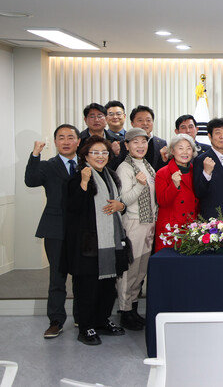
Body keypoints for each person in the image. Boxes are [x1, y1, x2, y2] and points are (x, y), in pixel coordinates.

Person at [64, 135, 129, 346]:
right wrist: (84, 182)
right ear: (85, 156)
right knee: (87, 287)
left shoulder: (111, 175)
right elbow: (73, 207)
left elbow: (118, 203)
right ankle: (86, 327)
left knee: (107, 286)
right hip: (89, 243)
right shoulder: (79, 177)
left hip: (111, 241)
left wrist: (121, 206)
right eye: (95, 152)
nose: (100, 156)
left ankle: (102, 321)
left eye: (104, 152)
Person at [24, 124, 80, 339]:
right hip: (55, 228)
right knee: (57, 277)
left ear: (78, 141)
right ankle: (55, 321)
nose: (66, 141)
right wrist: (35, 154)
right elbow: (31, 181)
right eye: (61, 137)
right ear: (55, 142)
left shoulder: (86, 164)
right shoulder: (48, 166)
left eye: (70, 137)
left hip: (81, 229)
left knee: (81, 275)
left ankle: (81, 317)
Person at [115, 128, 157, 331]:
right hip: (133, 223)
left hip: (148, 224)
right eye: (135, 142)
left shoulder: (147, 165)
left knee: (140, 272)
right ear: (127, 145)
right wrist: (140, 185)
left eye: (143, 142)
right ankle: (124, 312)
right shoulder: (124, 168)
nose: (140, 146)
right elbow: (123, 200)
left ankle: (133, 309)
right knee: (129, 272)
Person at [154, 134, 198, 253]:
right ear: (172, 151)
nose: (185, 152)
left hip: (191, 228)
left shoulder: (196, 172)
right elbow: (162, 201)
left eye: (188, 148)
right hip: (171, 229)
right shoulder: (162, 173)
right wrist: (174, 185)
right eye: (180, 148)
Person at [127, 105, 168, 171]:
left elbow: (165, 168)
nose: (145, 123)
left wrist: (165, 160)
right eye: (140, 120)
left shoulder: (162, 143)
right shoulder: (125, 143)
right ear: (132, 123)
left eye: (148, 120)